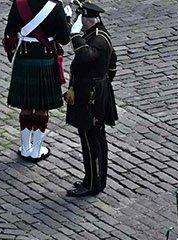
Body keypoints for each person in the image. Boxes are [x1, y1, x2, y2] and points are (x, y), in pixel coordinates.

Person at [3, 0, 71, 160]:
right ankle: (36, 150)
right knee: (42, 107)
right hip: (45, 58)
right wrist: (67, 20)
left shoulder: (19, 3)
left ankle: (25, 148)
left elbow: (9, 31)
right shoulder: (56, 6)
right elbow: (64, 38)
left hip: (24, 58)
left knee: (26, 106)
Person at [64, 3, 116, 195]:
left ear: (88, 20)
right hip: (94, 91)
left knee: (91, 141)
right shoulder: (98, 33)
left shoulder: (99, 40)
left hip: (91, 97)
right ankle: (94, 179)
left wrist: (75, 35)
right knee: (93, 139)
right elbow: (112, 65)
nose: (79, 23)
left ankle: (93, 185)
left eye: (81, 20)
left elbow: (85, 55)